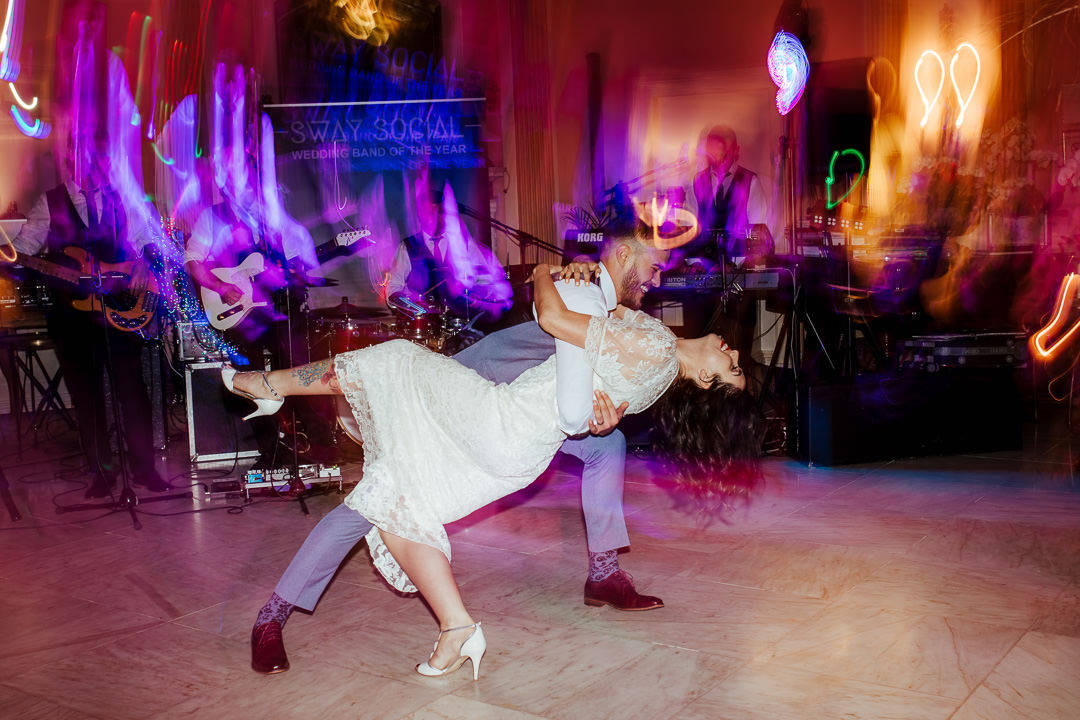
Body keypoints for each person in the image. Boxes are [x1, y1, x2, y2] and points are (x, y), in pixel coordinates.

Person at [224, 258, 761, 680]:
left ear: (708, 384)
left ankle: (600, 575)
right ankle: (280, 614)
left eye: (731, 367)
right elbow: (596, 319)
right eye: (649, 265)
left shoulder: (651, 349)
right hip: (488, 394)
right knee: (377, 497)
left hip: (514, 420)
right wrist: (575, 274)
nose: (657, 276)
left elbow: (574, 333)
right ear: (621, 256)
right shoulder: (626, 315)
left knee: (603, 445)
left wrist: (596, 410)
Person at [13, 137, 168, 497]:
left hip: (119, 308)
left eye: (100, 156)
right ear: (70, 158)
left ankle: (144, 469)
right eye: (86, 157)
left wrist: (147, 261)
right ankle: (102, 472)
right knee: (88, 396)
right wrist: (17, 262)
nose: (95, 163)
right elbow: (23, 250)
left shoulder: (121, 197)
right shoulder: (48, 203)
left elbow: (150, 238)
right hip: (72, 315)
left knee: (133, 390)